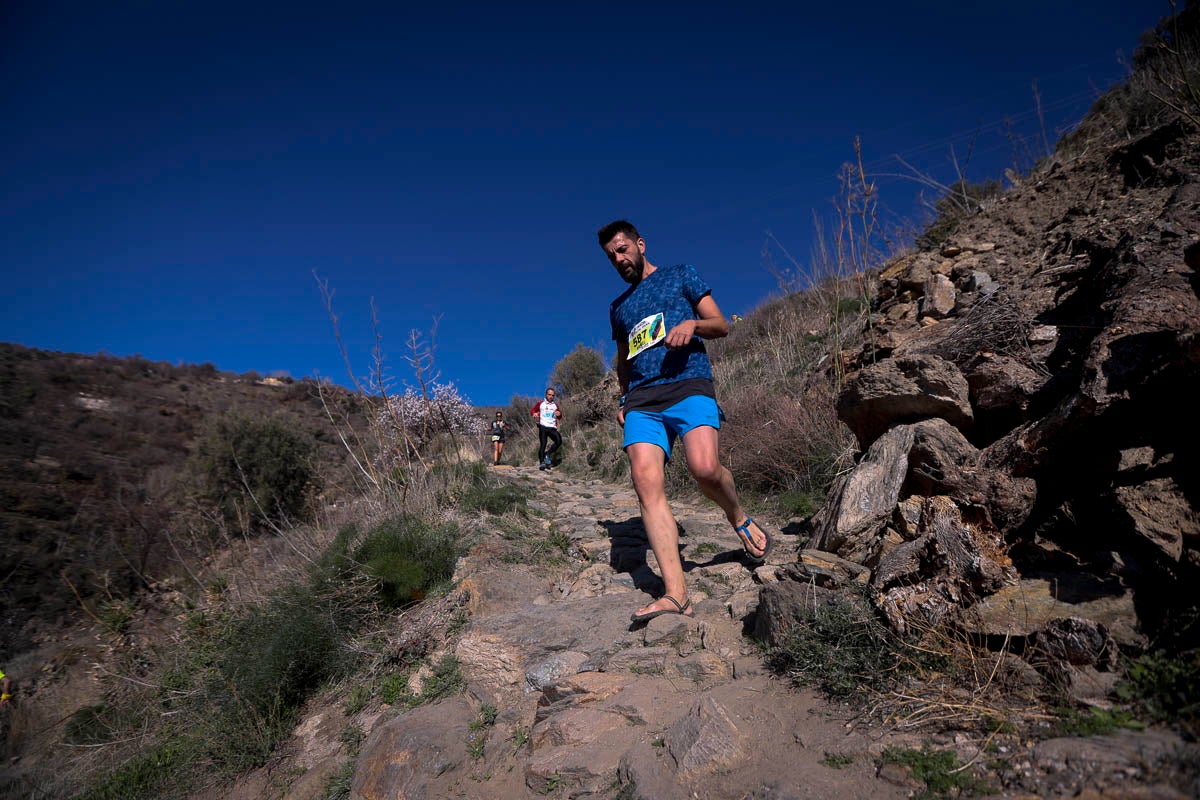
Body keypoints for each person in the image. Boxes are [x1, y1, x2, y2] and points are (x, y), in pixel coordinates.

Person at [600, 219, 773, 623]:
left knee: (705, 469)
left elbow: (721, 325)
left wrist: (692, 324)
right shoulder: (618, 307)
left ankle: (737, 515)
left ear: (640, 244)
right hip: (643, 398)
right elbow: (625, 358)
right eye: (611, 256)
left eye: (623, 249)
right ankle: (677, 594)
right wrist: (624, 397)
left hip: (688, 384)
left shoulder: (681, 275)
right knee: (646, 484)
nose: (619, 259)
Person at [530, 388, 563, 470]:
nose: (551, 396)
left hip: (552, 427)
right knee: (543, 444)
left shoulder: (555, 405)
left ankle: (547, 454)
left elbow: (559, 417)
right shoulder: (541, 403)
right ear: (546, 395)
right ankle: (541, 462)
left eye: (553, 395)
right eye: (549, 394)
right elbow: (533, 410)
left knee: (559, 441)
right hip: (543, 426)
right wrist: (534, 413)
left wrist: (559, 414)